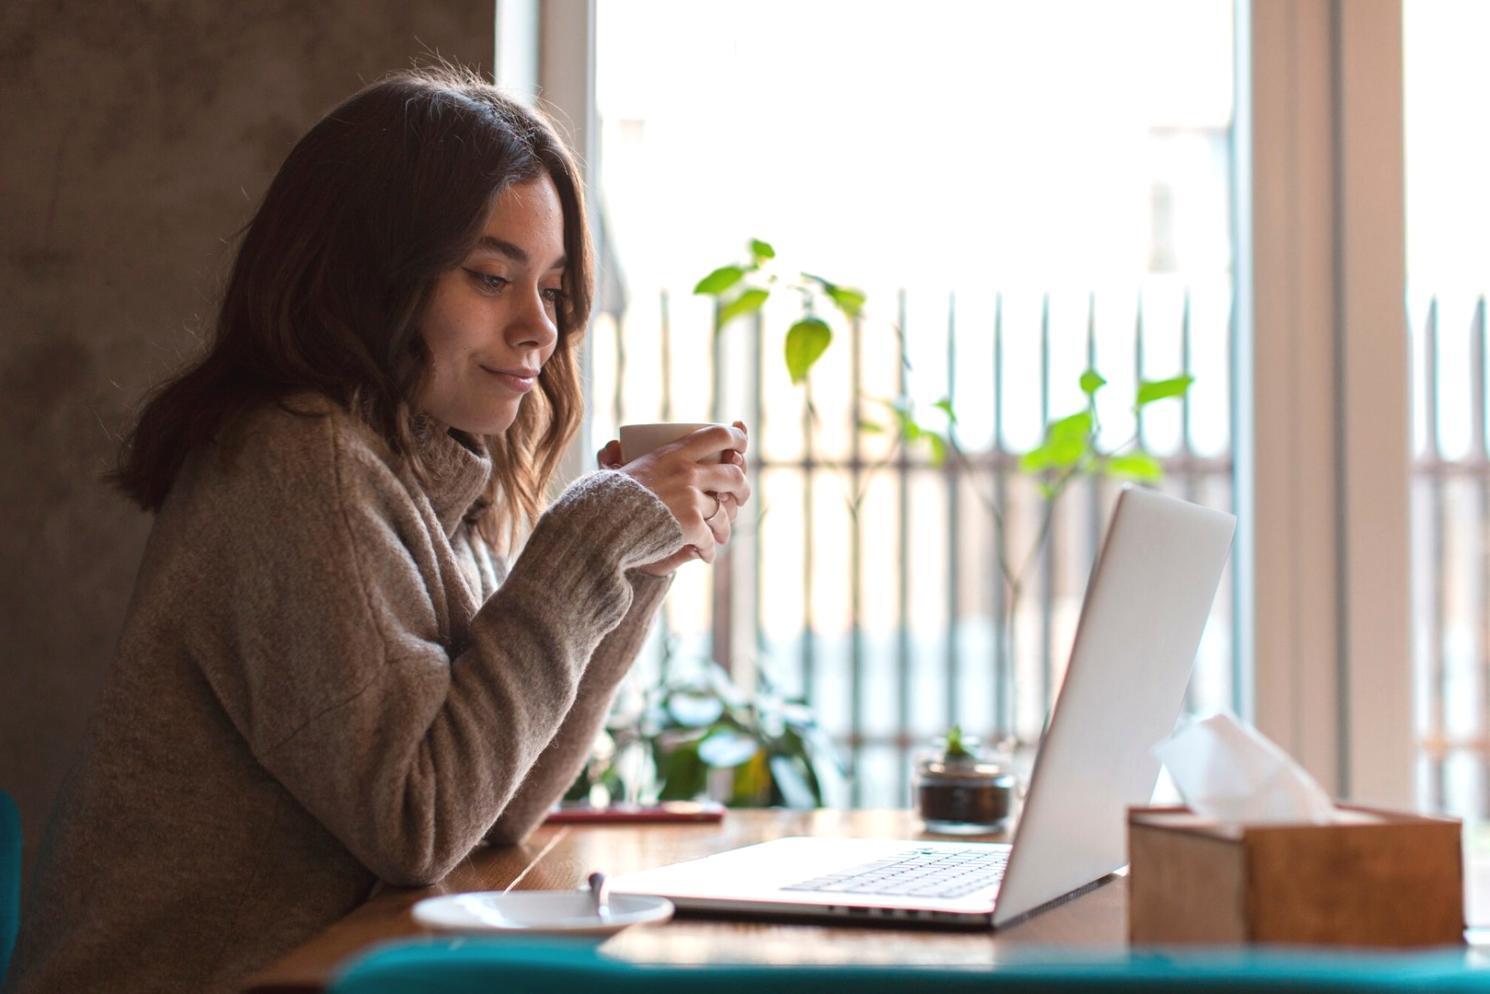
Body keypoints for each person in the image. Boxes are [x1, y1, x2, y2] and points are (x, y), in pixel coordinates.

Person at [6, 65, 750, 994]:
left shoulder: (427, 475)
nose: (540, 330)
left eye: (554, 291)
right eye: (491, 277)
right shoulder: (295, 461)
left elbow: (496, 808)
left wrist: (637, 563)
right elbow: (421, 820)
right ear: (370, 276)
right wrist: (589, 541)